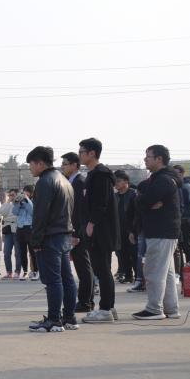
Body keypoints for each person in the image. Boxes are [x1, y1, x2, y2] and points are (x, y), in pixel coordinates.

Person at [25, 146, 78, 332]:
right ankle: (69, 317)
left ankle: (54, 320)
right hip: (64, 235)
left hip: (50, 237)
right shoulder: (64, 180)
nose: (30, 168)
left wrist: (36, 241)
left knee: (53, 280)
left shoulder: (45, 182)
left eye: (31, 164)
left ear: (40, 163)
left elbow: (40, 215)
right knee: (66, 278)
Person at [132, 145, 182, 320]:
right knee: (166, 273)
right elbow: (144, 201)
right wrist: (145, 201)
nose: (145, 159)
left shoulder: (164, 180)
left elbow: (143, 200)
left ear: (159, 159)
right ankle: (171, 309)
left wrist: (142, 200)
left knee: (154, 271)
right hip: (164, 231)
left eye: (148, 156)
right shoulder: (162, 178)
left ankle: (154, 309)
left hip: (161, 231)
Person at [77, 138, 119, 323]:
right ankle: (108, 307)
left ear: (92, 153)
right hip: (97, 228)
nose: (79, 155)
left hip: (101, 230)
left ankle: (105, 310)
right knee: (102, 269)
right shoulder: (93, 174)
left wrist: (91, 223)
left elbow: (101, 204)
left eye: (81, 152)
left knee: (102, 270)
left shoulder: (101, 174)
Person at [61, 152, 94, 312]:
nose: (62, 167)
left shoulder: (79, 182)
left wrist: (76, 234)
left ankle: (85, 302)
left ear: (74, 165)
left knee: (83, 267)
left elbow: (80, 211)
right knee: (81, 268)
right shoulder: (71, 181)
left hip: (78, 232)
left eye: (65, 164)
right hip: (73, 230)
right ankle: (85, 300)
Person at [114, 170, 137, 284]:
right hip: (119, 230)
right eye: (115, 182)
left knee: (134, 253)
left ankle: (139, 277)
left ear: (126, 181)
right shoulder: (115, 196)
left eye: (118, 181)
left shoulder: (134, 194)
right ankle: (128, 276)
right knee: (122, 254)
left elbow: (137, 214)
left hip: (131, 229)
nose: (116, 184)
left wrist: (133, 230)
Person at [173, 164, 190, 266]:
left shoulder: (187, 187)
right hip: (177, 221)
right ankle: (180, 270)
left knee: (186, 245)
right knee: (178, 247)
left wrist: (184, 216)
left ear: (182, 174)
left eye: (177, 173)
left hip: (185, 221)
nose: (175, 175)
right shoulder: (174, 186)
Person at [1, 189, 18, 279]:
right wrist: (8, 202)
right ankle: (9, 272)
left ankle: (17, 271)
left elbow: (17, 216)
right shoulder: (7, 204)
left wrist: (9, 219)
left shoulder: (20, 204)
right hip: (8, 230)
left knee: (17, 253)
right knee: (6, 252)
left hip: (17, 230)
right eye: (10, 195)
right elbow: (2, 213)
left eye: (13, 195)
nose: (11, 196)